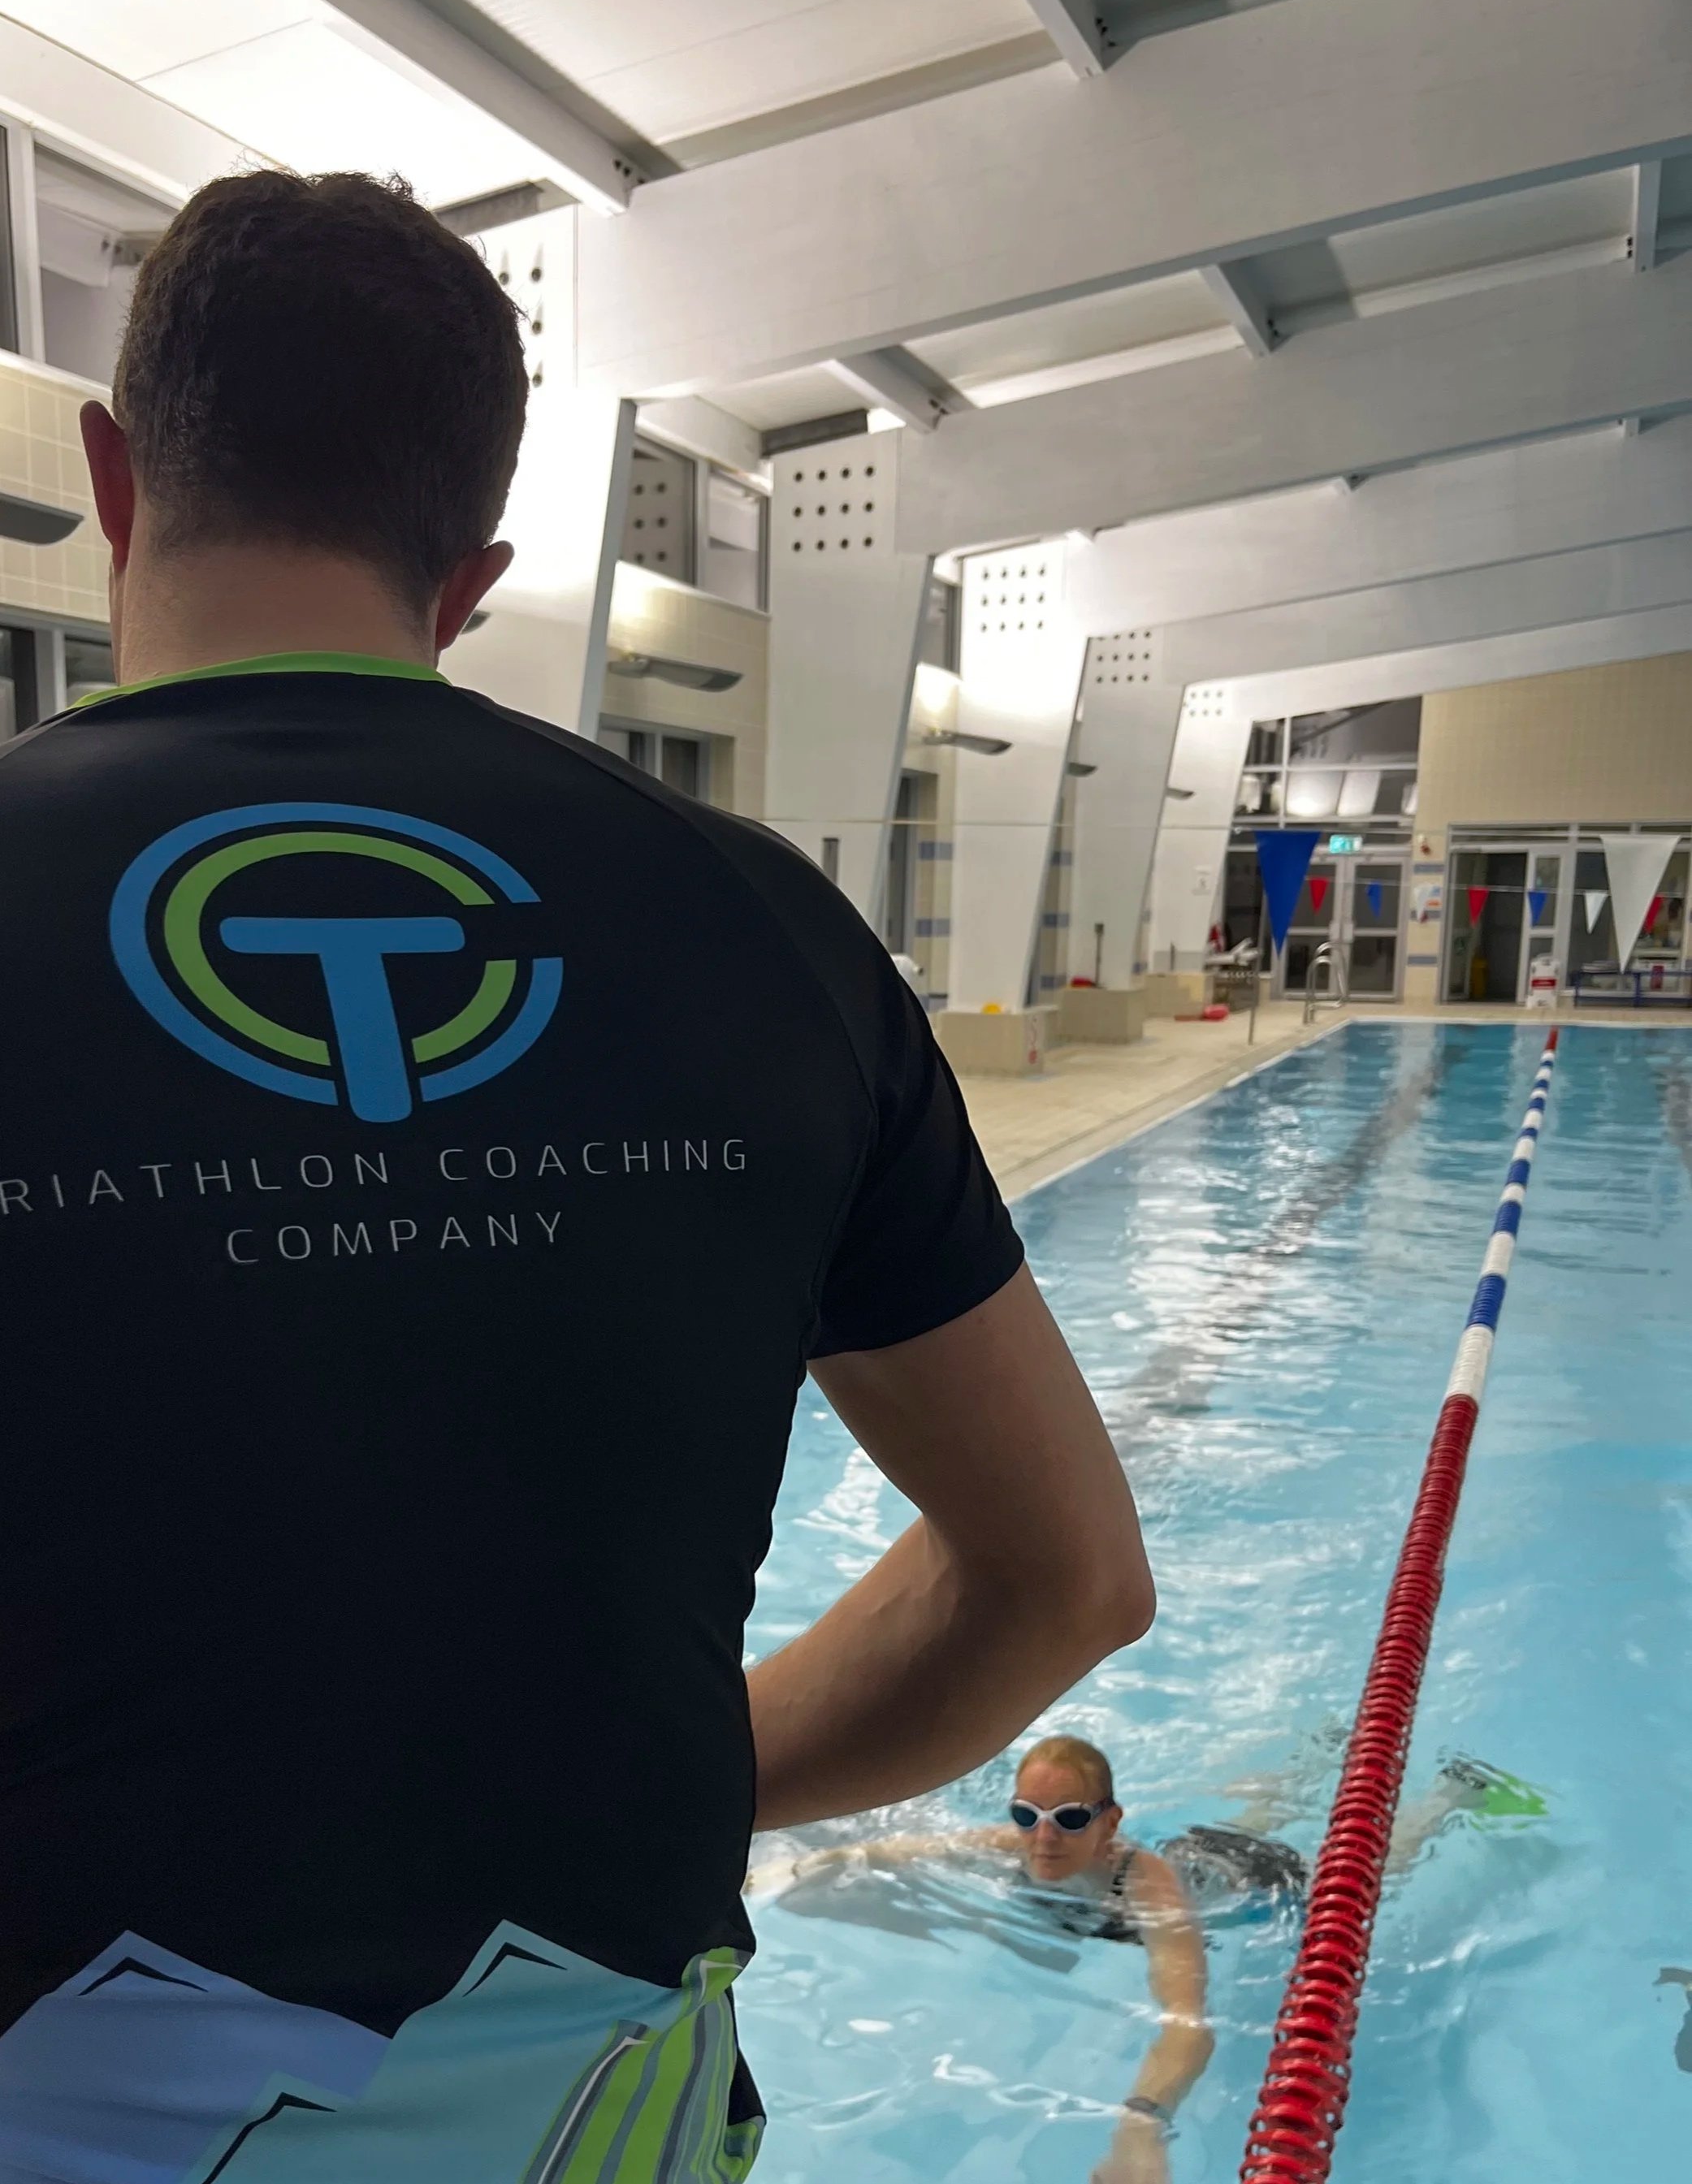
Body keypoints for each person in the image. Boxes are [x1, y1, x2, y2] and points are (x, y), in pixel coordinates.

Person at [0, 173, 1155, 2181]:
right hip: (596, 2114)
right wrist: (678, 1777)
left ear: (114, 472)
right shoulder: (769, 935)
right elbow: (1062, 1572)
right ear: (471, 567)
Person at [753, 1733, 1536, 2182]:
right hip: (1202, 1847)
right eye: (1026, 1814)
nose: (1042, 1836)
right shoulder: (1019, 1844)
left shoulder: (1150, 1893)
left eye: (1065, 1817)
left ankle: (1450, 1793)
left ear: (1108, 1820)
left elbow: (1188, 2024)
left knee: (1368, 1870)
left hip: (1251, 1887)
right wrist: (789, 1869)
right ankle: (1316, 1751)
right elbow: (906, 1849)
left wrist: (1140, 2124)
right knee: (1250, 1815)